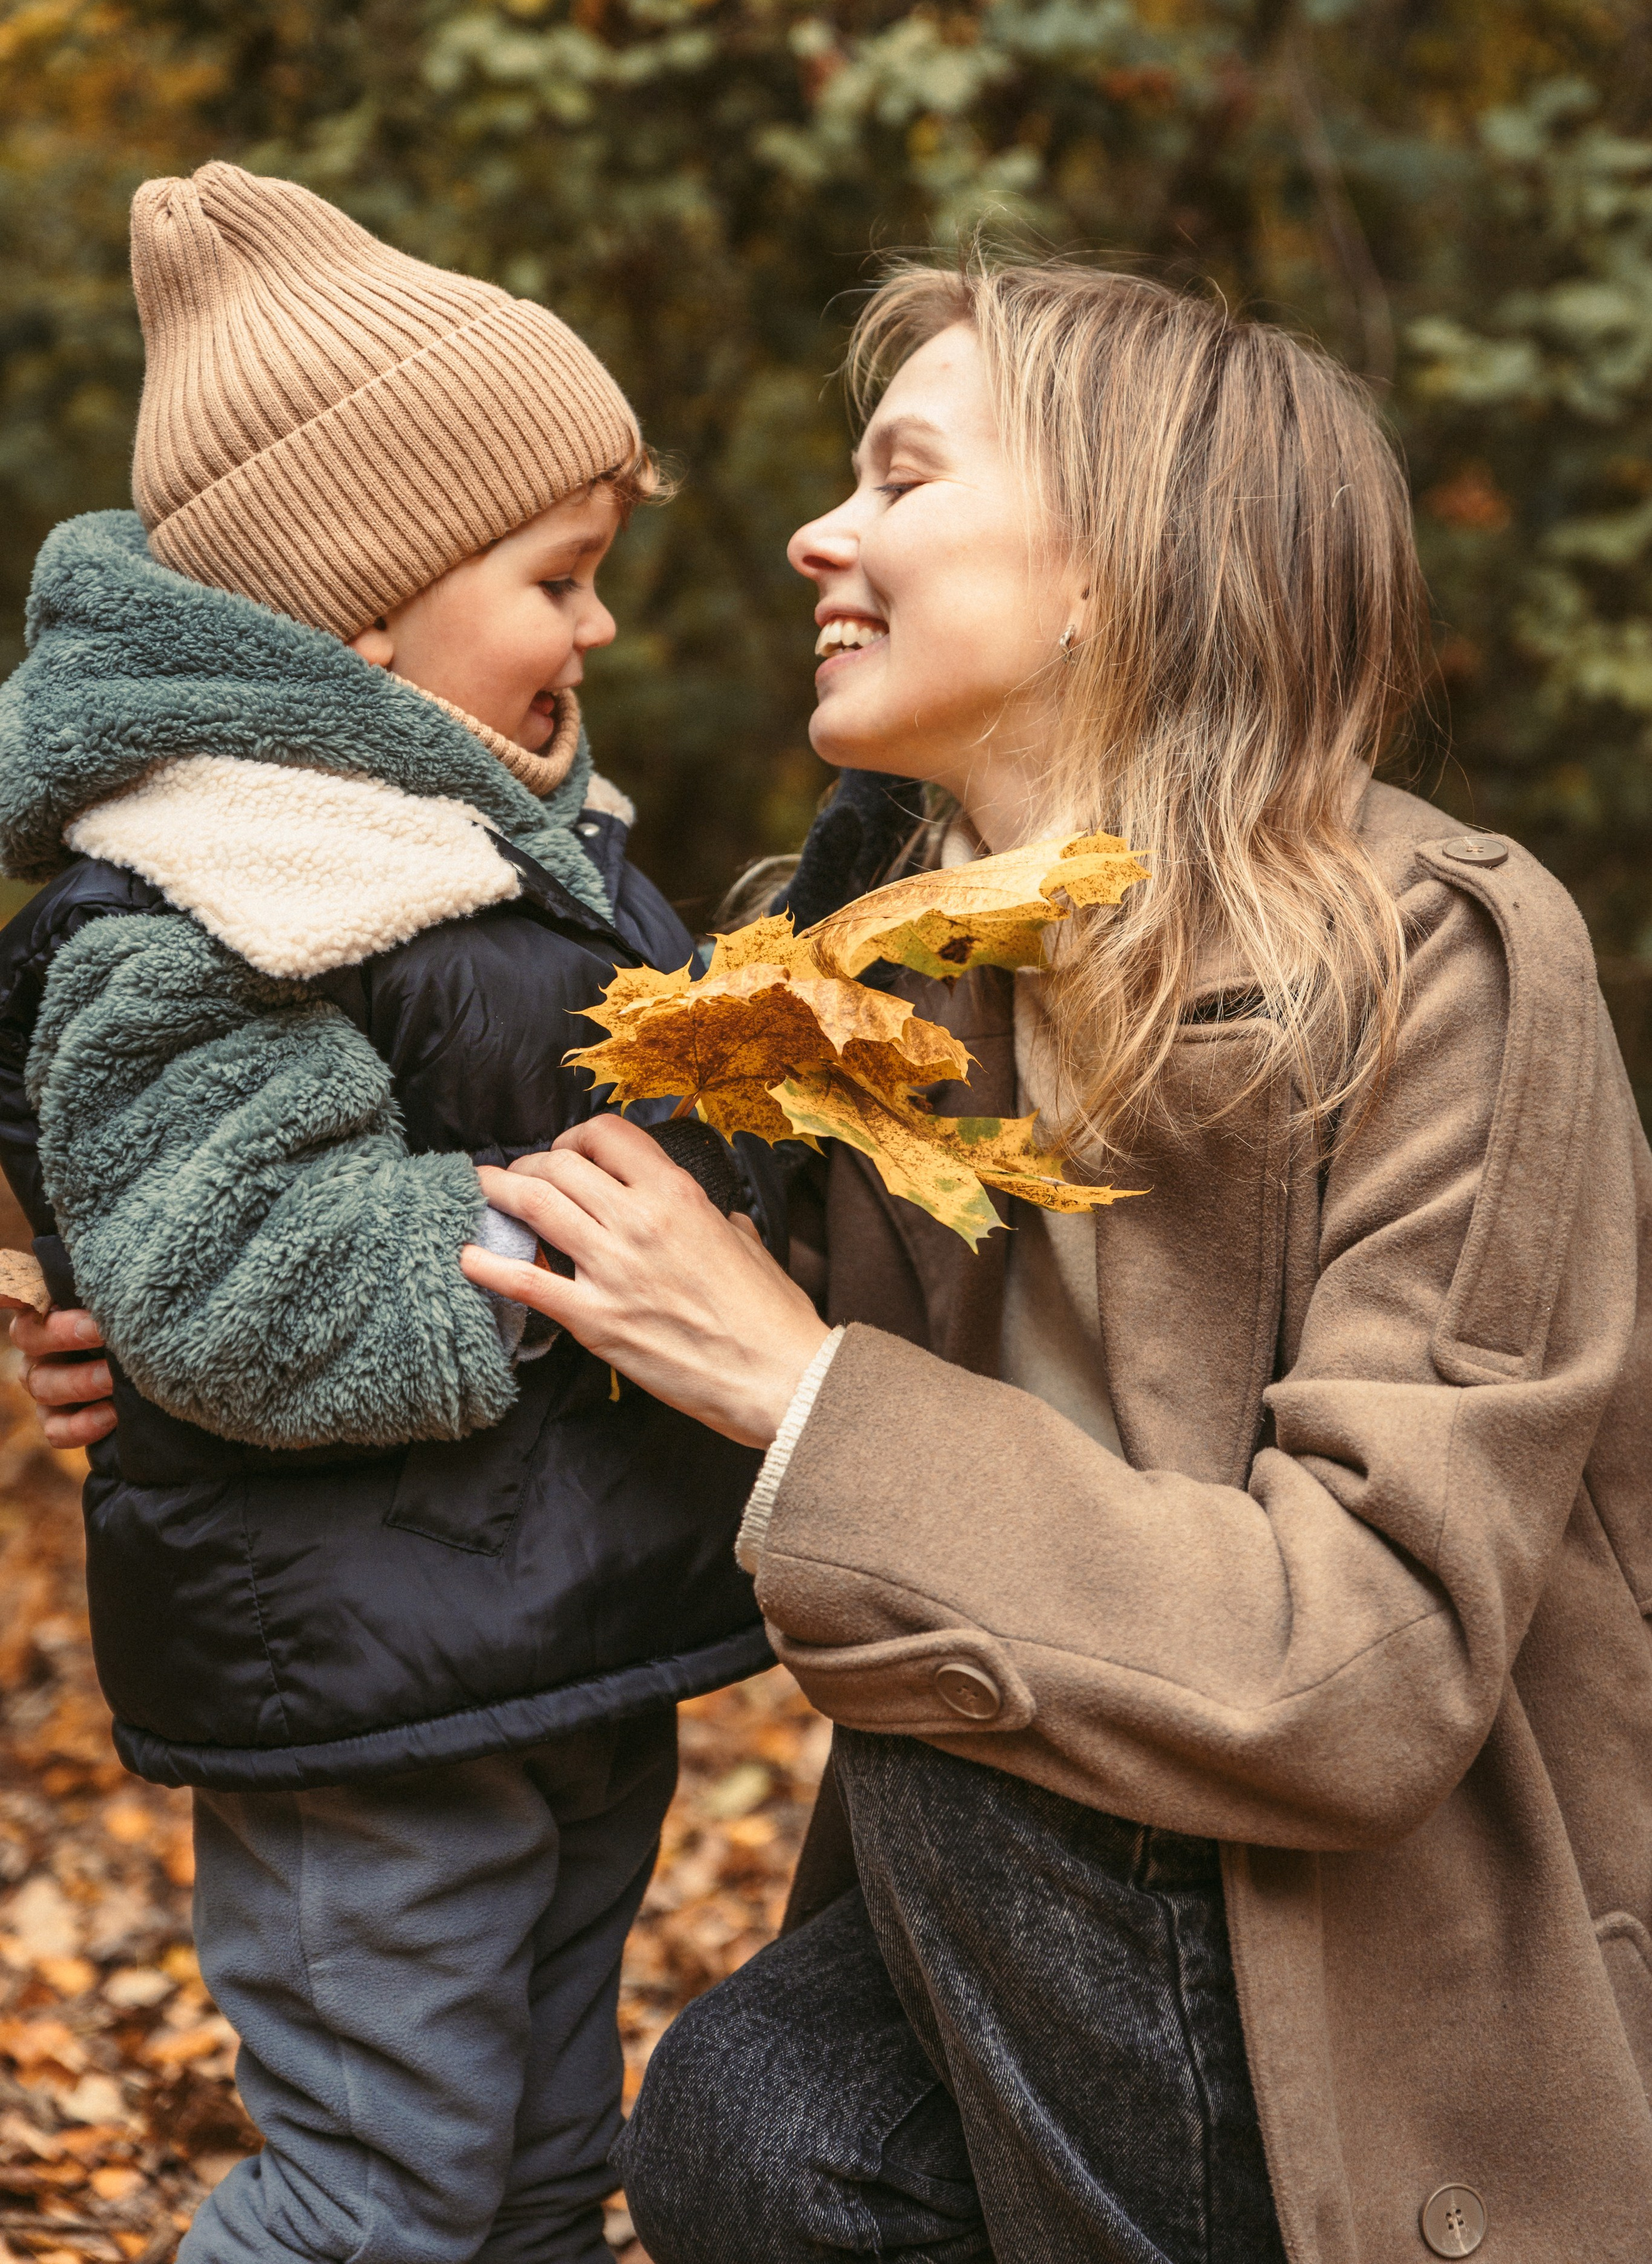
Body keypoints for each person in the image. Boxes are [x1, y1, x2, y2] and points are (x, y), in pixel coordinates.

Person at [459, 262, 1652, 2263]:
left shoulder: (1446, 959)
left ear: (1118, 567)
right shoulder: (894, 983)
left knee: (958, 1723)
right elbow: (661, 1389)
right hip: (1057, 1942)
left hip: (1376, 1979)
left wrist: (806, 1393)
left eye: (901, 478)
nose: (816, 533)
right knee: (760, 2125)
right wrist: (199, 1369)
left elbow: (1365, 1672)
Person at [0, 162, 777, 2264]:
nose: (601, 627)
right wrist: (587, 1231)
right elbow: (233, 1281)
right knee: (376, 2197)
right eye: (560, 576)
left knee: (532, 2181)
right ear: (369, 607)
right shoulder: (223, 884)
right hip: (360, 1693)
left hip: (537, 1653)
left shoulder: (507, 838)